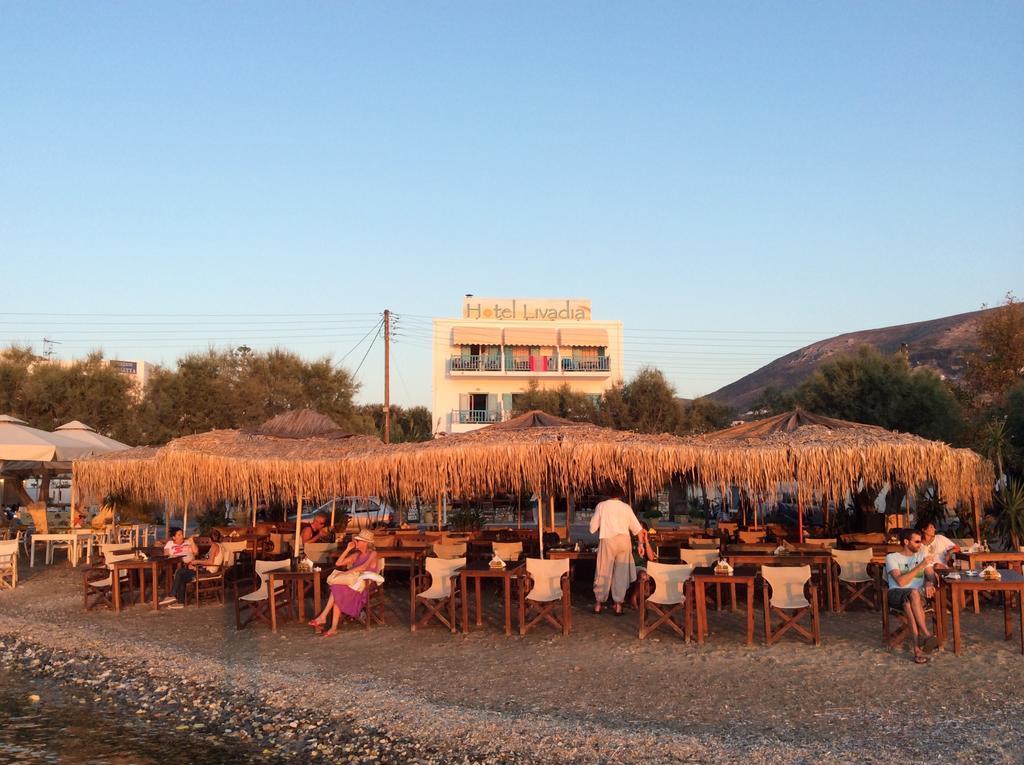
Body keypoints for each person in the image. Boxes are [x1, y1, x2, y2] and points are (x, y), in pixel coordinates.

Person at [310, 528, 379, 637]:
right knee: (337, 589)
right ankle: (330, 625)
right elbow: (338, 563)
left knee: (337, 589)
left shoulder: (373, 553)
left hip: (365, 586)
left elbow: (364, 567)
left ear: (366, 543)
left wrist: (346, 573)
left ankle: (326, 620)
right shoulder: (356, 554)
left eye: (358, 540)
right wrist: (347, 549)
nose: (356, 541)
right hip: (354, 584)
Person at [885, 528, 940, 664]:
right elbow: (901, 581)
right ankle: (926, 634)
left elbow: (932, 576)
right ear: (906, 542)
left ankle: (917, 650)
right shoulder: (892, 557)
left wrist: (928, 582)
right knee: (913, 593)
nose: (920, 544)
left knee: (909, 604)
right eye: (916, 541)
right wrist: (920, 566)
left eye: (920, 541)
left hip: (914, 599)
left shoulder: (921, 555)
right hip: (896, 593)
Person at [589, 486, 642, 615]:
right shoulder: (626, 507)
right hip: (624, 540)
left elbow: (592, 528)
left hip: (608, 539)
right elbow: (638, 529)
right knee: (621, 573)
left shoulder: (602, 506)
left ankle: (598, 604)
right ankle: (618, 605)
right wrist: (640, 544)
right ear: (621, 494)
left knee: (603, 570)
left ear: (607, 493)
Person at [161, 530, 224, 609]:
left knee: (180, 572)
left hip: (208, 572)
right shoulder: (220, 545)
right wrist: (197, 565)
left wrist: (196, 562)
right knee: (182, 576)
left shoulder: (214, 545)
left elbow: (210, 561)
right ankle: (180, 602)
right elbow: (211, 560)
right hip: (205, 569)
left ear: (209, 539)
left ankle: (172, 595)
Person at [628, 521, 659, 609]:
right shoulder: (630, 541)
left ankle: (634, 597)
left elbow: (651, 558)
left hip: (641, 568)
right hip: (628, 567)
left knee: (643, 575)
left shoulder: (649, 543)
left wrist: (645, 540)